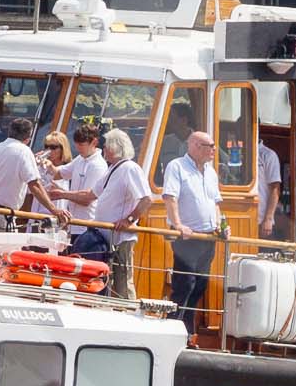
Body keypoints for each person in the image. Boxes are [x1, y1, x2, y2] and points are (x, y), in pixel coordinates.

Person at [161, 130, 223, 339]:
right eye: (211, 146)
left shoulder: (211, 172)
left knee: (200, 285)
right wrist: (178, 225)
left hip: (207, 238)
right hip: (187, 238)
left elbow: (215, 202)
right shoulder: (177, 167)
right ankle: (173, 330)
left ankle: (187, 331)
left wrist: (220, 225)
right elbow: (170, 197)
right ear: (196, 146)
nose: (214, 150)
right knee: (184, 285)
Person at [85, 128, 154, 304]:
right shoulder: (113, 169)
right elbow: (91, 194)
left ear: (115, 148)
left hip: (120, 237)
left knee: (123, 281)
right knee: (108, 279)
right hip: (106, 237)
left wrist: (129, 220)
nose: (103, 150)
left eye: (106, 146)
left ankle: (129, 315)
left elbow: (146, 199)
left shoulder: (130, 168)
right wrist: (62, 194)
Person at [0, 116, 68, 226]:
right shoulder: (24, 152)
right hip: (3, 214)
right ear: (28, 138)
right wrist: (54, 210)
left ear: (9, 132)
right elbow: (34, 185)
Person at [47, 123, 109, 239]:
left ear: (94, 142)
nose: (78, 148)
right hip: (73, 226)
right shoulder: (80, 158)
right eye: (76, 144)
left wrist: (62, 194)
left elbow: (87, 198)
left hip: (86, 227)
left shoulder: (98, 166)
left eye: (81, 144)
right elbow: (59, 173)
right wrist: (47, 165)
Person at [256, 138, 283, 238]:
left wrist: (268, 219)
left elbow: (275, 188)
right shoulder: (239, 151)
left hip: (261, 220)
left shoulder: (268, 155)